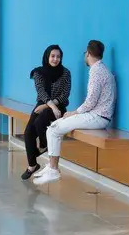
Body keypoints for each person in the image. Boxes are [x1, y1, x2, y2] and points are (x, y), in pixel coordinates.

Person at [34, 39, 116, 184]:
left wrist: (73, 113)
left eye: (85, 53)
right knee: (54, 128)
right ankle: (51, 167)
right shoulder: (102, 69)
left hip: (98, 117)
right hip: (99, 116)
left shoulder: (96, 71)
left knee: (53, 129)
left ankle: (53, 170)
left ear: (88, 53)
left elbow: (90, 102)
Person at [21, 44, 71, 180]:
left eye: (58, 57)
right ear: (47, 56)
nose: (55, 59)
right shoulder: (38, 72)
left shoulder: (66, 73)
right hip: (44, 104)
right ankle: (32, 165)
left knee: (40, 121)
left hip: (59, 106)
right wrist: (47, 106)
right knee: (28, 132)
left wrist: (51, 107)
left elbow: (65, 95)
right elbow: (41, 92)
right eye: (53, 56)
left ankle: (44, 145)